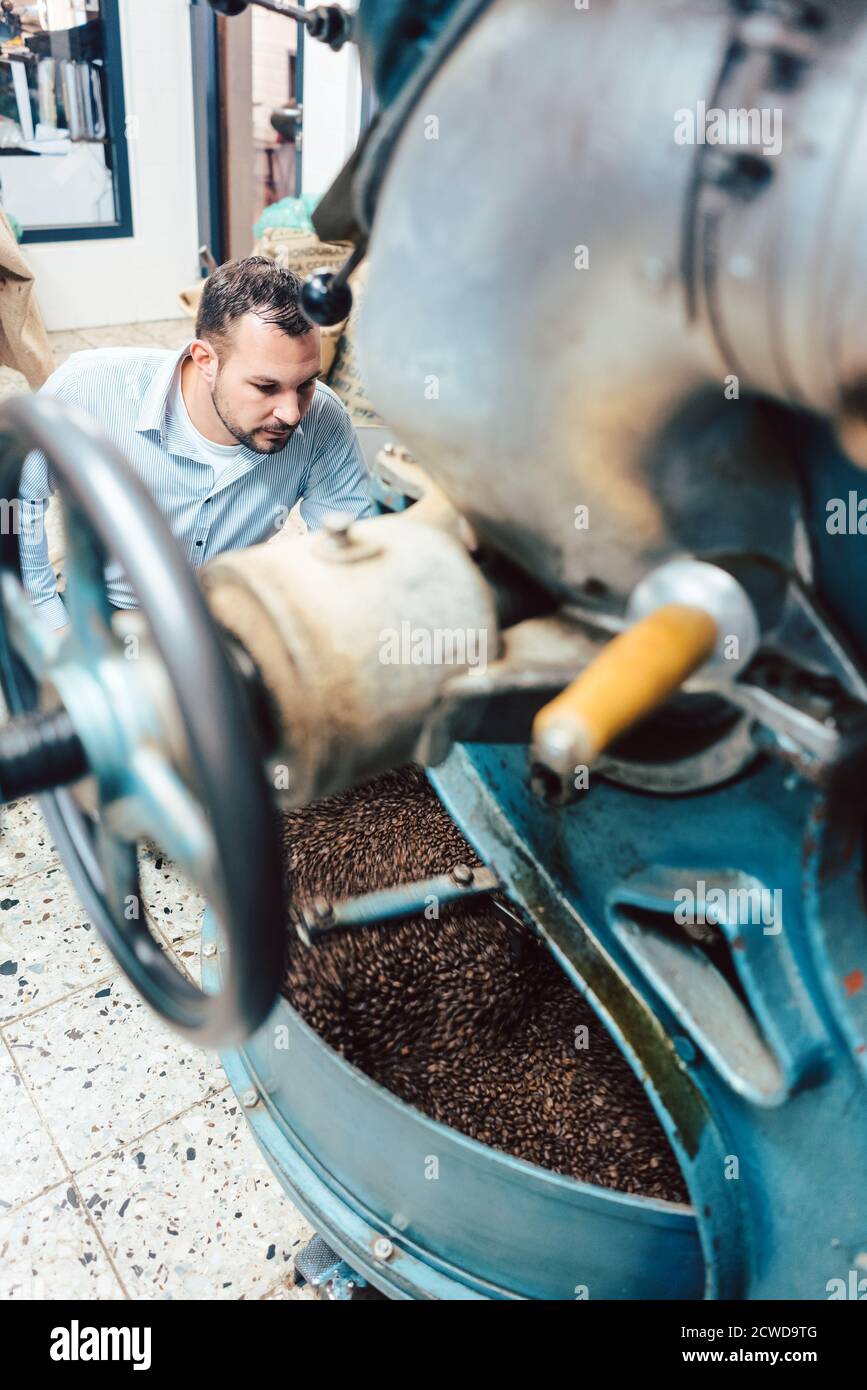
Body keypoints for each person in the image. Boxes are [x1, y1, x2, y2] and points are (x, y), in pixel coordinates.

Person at [18, 256, 372, 630]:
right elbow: (15, 499)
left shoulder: (323, 419)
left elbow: (352, 556)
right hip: (103, 609)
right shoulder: (88, 389)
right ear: (205, 359)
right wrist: (49, 621)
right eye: (266, 386)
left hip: (220, 614)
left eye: (305, 384)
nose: (291, 412)